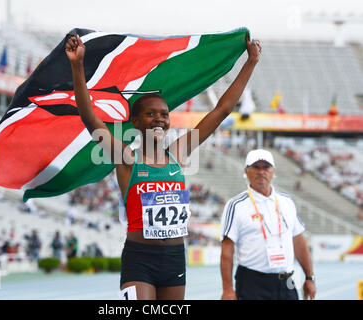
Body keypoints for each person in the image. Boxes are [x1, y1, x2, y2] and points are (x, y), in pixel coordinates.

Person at [66, 33, 261, 300]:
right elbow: (90, 118)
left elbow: (222, 110)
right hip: (140, 259)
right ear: (135, 121)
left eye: (164, 114)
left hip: (174, 259)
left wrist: (250, 62)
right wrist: (78, 65)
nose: (159, 119)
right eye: (151, 114)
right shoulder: (126, 159)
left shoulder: (178, 154)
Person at [220, 149, 316, 300]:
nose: (261, 171)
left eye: (266, 167)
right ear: (246, 171)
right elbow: (227, 248)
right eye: (256, 167)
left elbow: (298, 240)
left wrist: (309, 277)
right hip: (252, 282)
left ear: (273, 171)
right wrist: (227, 288)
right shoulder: (236, 205)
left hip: (287, 280)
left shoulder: (286, 201)